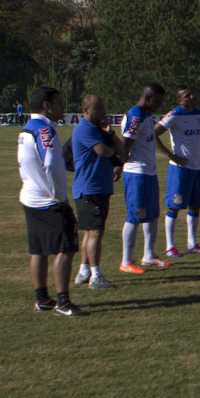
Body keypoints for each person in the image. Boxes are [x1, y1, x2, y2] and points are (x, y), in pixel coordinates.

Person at [18, 87, 83, 315]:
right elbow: (50, 164)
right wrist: (60, 198)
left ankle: (42, 299)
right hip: (48, 201)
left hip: (30, 197)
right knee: (66, 248)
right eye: (59, 103)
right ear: (46, 105)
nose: (62, 108)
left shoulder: (26, 130)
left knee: (38, 250)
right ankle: (63, 303)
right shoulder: (45, 131)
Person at [71, 93, 126, 291]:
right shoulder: (84, 129)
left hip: (100, 188)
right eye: (98, 108)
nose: (103, 112)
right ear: (86, 111)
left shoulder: (99, 130)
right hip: (89, 188)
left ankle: (84, 270)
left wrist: (110, 134)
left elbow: (123, 151)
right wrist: (115, 152)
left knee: (92, 231)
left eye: (103, 107)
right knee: (95, 232)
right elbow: (104, 151)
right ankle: (96, 275)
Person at [118, 83, 171, 274]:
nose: (159, 105)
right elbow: (124, 144)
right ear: (148, 99)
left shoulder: (147, 115)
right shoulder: (136, 115)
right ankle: (126, 261)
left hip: (149, 172)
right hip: (136, 173)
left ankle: (149, 255)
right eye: (157, 101)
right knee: (134, 216)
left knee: (152, 215)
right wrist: (118, 165)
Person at [155, 86, 200, 256]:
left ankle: (192, 243)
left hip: (196, 167)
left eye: (192, 94)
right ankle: (170, 246)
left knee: (195, 205)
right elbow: (154, 132)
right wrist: (170, 154)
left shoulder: (199, 113)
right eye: (187, 96)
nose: (192, 97)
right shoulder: (174, 115)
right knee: (174, 206)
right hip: (179, 169)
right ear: (179, 100)